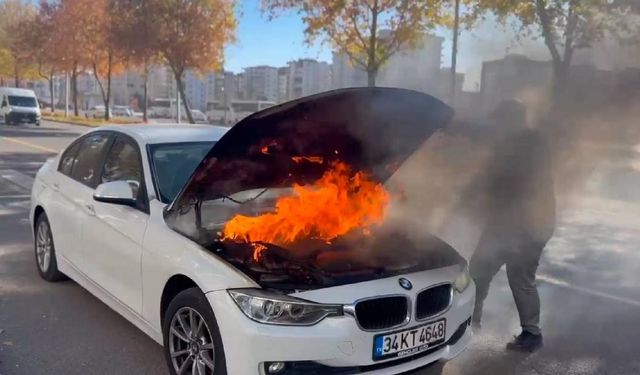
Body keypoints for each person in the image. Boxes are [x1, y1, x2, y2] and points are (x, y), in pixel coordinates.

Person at [470, 99, 556, 352]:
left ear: (510, 121)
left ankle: (531, 333)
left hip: (523, 224)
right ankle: (472, 322)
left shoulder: (523, 145)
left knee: (513, 276)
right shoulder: (526, 141)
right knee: (482, 270)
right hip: (522, 222)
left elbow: (503, 182)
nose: (495, 127)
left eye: (499, 121)